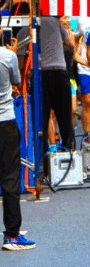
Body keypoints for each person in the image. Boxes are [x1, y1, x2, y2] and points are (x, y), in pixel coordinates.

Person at [0, 33, 32, 251]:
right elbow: (17, 82)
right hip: (5, 121)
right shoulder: (7, 56)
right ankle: (12, 234)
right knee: (10, 178)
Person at [37, 16, 76, 151]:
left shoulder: (32, 24)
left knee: (43, 118)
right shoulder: (54, 22)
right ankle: (69, 152)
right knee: (65, 117)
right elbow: (71, 44)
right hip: (60, 71)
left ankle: (43, 156)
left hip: (42, 73)